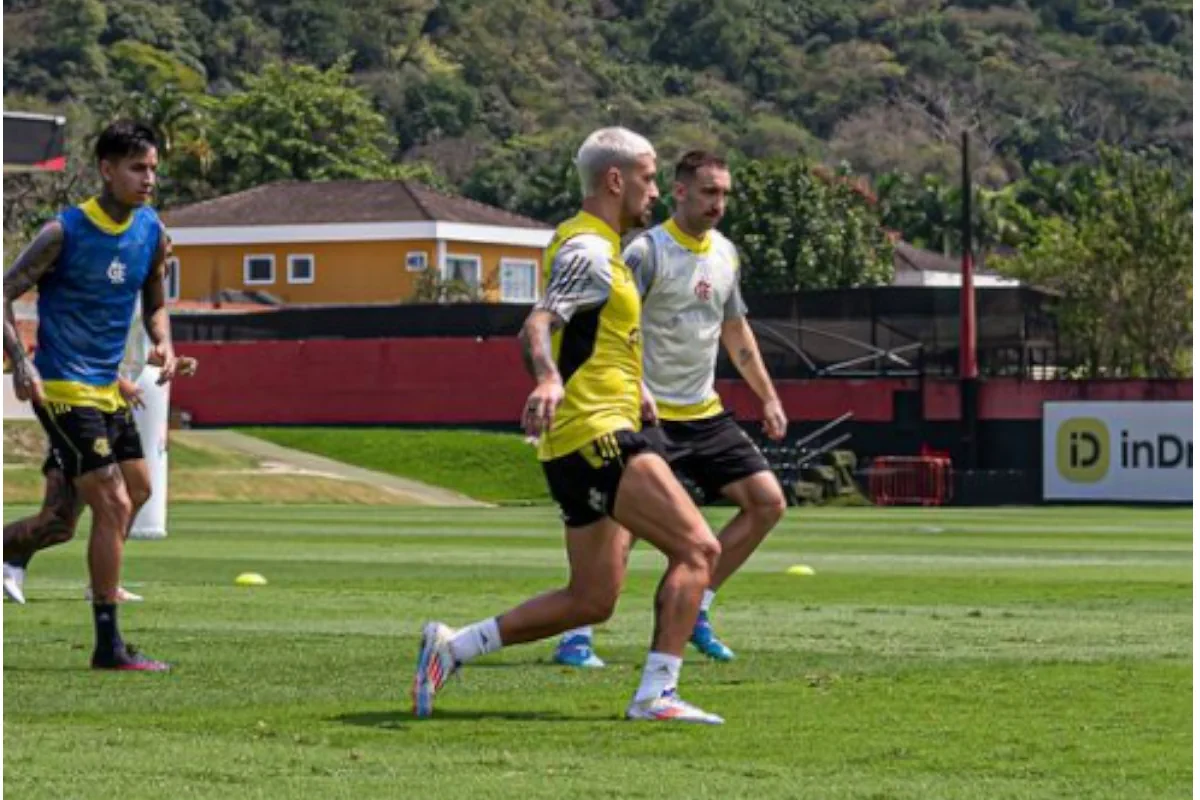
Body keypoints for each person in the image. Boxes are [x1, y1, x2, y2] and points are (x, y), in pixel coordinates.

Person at [411, 127, 726, 724]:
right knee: (699, 548)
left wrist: (637, 387)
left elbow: (594, 336)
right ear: (615, 180)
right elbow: (538, 323)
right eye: (649, 177)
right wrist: (549, 378)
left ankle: (453, 647)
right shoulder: (588, 250)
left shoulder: (600, 248)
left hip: (584, 435)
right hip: (598, 433)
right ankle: (658, 695)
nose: (655, 192)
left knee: (592, 599)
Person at [553, 150, 788, 668]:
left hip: (705, 413)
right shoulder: (645, 252)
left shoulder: (726, 254)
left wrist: (768, 397)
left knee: (767, 502)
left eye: (724, 194)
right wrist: (634, 387)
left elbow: (735, 330)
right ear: (679, 192)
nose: (718, 204)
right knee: (628, 526)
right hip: (647, 413)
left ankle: (698, 604)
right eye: (708, 192)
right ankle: (578, 633)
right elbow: (615, 324)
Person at [2, 120, 181, 671]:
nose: (148, 179)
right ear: (107, 169)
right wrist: (20, 362)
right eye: (136, 168)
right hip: (59, 385)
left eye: (152, 168)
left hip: (107, 388)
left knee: (137, 490)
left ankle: (42, 561)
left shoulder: (151, 230)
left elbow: (154, 301)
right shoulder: (65, 232)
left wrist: (163, 343)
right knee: (113, 502)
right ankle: (108, 644)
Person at [2, 343, 197, 605]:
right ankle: (12, 557)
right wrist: (118, 381)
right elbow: (77, 349)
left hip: (114, 405)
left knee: (139, 489)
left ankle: (103, 584)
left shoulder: (135, 310)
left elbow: (131, 353)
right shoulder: (96, 305)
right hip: (77, 400)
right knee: (59, 523)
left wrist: (171, 361)